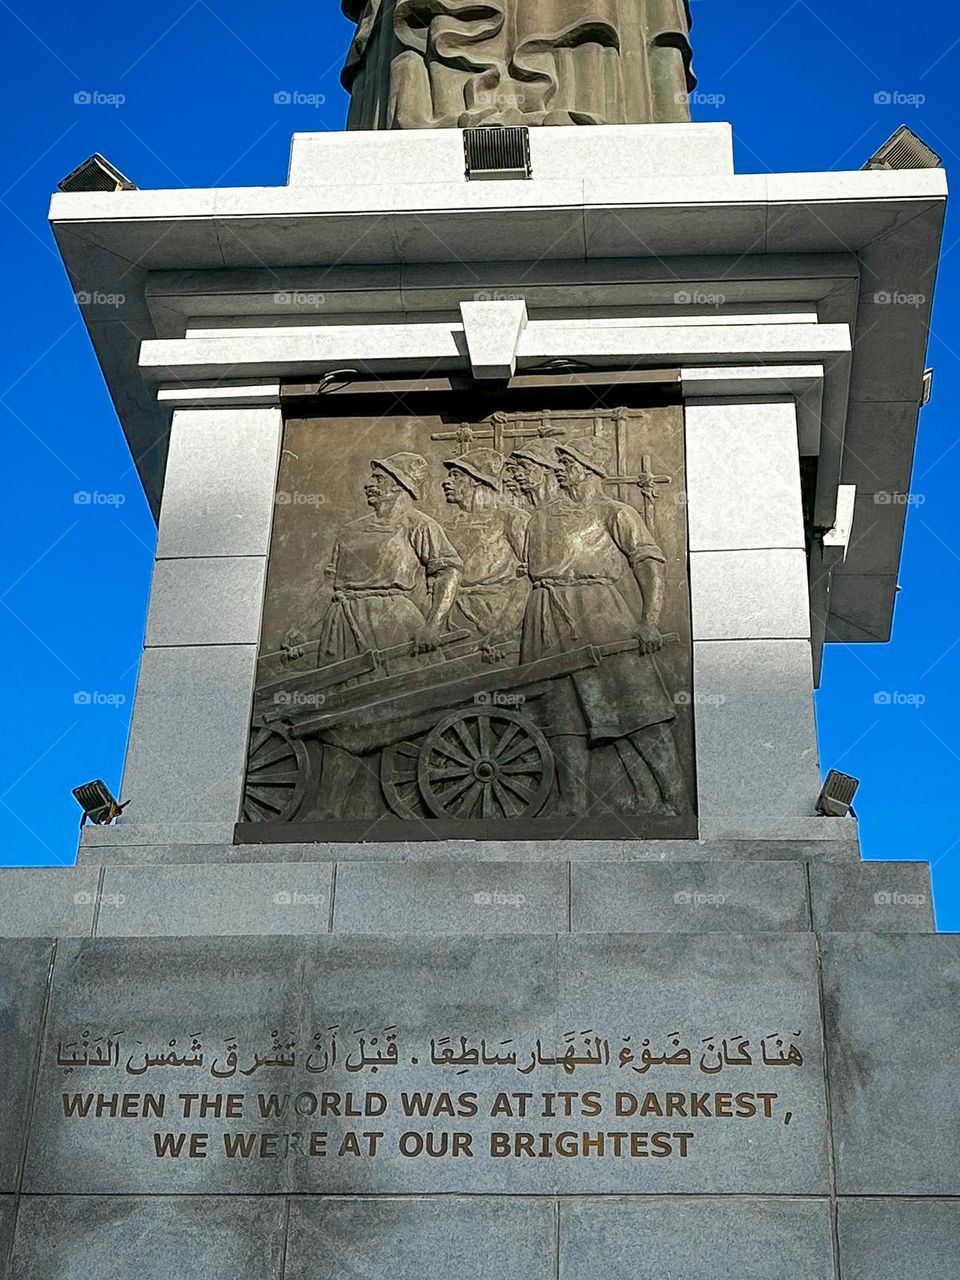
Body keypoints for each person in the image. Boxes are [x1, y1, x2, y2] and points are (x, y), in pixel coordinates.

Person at [520, 436, 686, 815]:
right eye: (559, 463)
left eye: (568, 463)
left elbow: (648, 564)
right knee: (560, 711)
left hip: (600, 612)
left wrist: (649, 621)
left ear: (590, 470)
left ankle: (674, 798)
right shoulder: (540, 517)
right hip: (546, 613)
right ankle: (572, 804)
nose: (560, 469)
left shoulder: (615, 512)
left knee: (637, 707)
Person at [440, 447, 528, 651]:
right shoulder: (447, 526)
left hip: (499, 618)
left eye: (455, 476)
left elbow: (530, 577)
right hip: (454, 619)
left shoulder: (512, 519)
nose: (446, 482)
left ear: (477, 479)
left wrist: (503, 630)